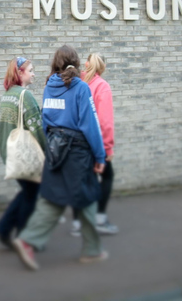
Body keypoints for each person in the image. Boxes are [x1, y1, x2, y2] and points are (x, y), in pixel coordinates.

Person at [12, 46, 107, 271]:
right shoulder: (81, 88)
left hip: (55, 150)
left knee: (52, 198)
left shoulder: (49, 87)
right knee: (87, 197)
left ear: (55, 64)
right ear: (76, 62)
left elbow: (46, 121)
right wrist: (100, 155)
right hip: (78, 153)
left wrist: (49, 150)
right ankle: (92, 250)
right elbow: (90, 124)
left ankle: (28, 240)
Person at [0, 57, 45, 248]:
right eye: (31, 70)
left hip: (10, 152)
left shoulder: (8, 95)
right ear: (20, 73)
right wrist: (47, 154)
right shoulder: (25, 96)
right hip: (25, 155)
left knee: (27, 191)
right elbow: (37, 129)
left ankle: (4, 228)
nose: (34, 74)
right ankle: (24, 239)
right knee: (31, 194)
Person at [71, 53, 118, 236]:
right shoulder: (102, 86)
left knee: (80, 180)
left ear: (86, 64)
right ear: (103, 67)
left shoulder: (76, 83)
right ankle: (99, 219)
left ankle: (77, 223)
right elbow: (105, 122)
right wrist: (108, 148)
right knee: (107, 176)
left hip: (75, 141)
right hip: (95, 143)